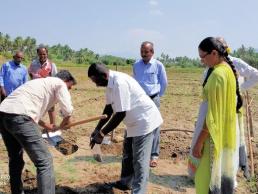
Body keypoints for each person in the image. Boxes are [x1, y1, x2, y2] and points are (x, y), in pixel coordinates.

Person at [88, 63, 163, 194]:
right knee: (128, 155)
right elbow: (109, 109)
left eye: (96, 81)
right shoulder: (110, 84)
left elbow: (120, 114)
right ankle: (125, 183)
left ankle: (139, 191)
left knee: (140, 161)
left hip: (144, 122)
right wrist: (97, 129)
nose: (95, 84)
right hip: (133, 123)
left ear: (104, 76)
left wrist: (102, 133)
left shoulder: (119, 83)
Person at [0, 70, 76, 194]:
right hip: (21, 118)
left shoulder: (39, 83)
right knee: (45, 161)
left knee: (15, 159)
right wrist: (64, 124)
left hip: (3, 115)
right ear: (65, 80)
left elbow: (26, 108)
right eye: (70, 86)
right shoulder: (59, 83)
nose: (69, 89)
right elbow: (68, 110)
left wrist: (46, 124)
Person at [192, 37, 242, 194]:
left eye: (203, 57)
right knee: (221, 177)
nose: (202, 61)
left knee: (205, 179)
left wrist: (199, 142)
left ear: (214, 53)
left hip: (213, 137)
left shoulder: (216, 76)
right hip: (226, 133)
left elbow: (212, 116)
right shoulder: (228, 70)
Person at [133, 41, 168, 168]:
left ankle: (154, 155)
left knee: (155, 126)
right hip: (140, 100)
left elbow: (164, 84)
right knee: (140, 124)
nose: (144, 54)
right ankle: (141, 152)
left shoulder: (158, 65)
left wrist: (157, 96)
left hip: (153, 99)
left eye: (146, 52)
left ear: (152, 52)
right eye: (142, 51)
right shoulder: (136, 65)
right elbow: (135, 82)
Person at [28, 45, 58, 127]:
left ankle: (53, 126)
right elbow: (30, 73)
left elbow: (55, 79)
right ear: (38, 54)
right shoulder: (33, 64)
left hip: (48, 91)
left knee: (51, 109)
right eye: (40, 54)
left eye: (44, 54)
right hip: (36, 91)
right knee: (36, 108)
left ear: (47, 54)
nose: (42, 56)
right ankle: (35, 126)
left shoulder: (52, 65)